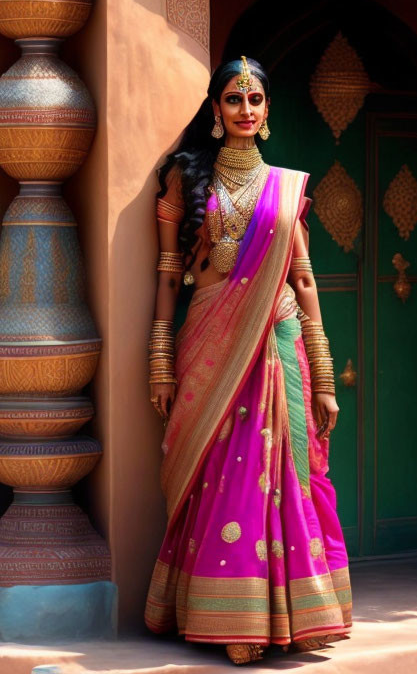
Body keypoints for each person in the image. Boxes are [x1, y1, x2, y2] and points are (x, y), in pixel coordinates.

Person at [144, 57, 352, 665]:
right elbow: (166, 277)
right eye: (233, 100)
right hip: (210, 337)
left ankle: (306, 613)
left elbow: (305, 281)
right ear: (215, 111)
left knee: (286, 469)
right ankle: (230, 615)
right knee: (225, 471)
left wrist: (326, 376)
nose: (245, 110)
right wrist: (160, 361)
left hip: (279, 339)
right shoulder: (185, 180)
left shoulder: (286, 186)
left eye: (254, 100)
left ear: (267, 112)